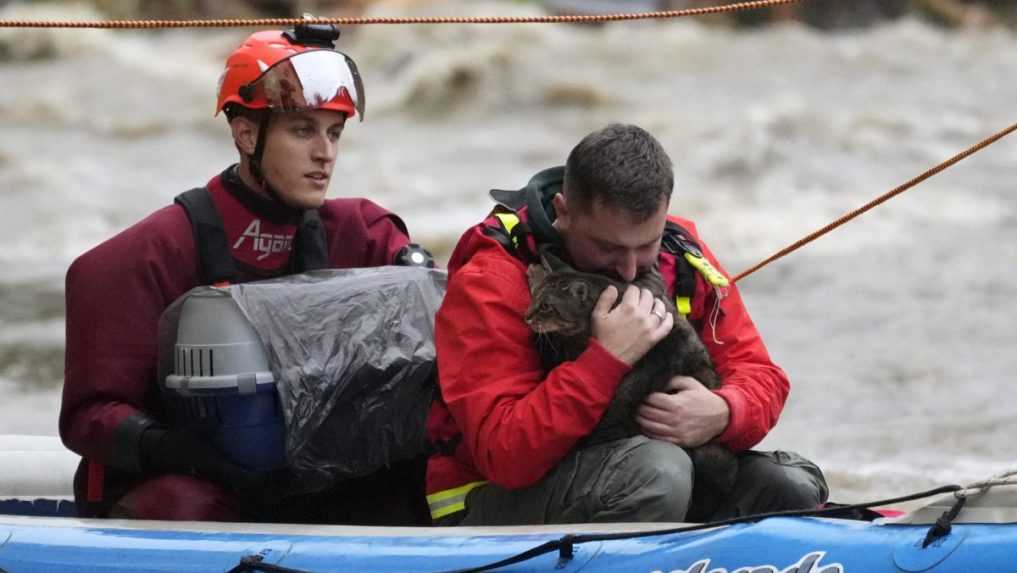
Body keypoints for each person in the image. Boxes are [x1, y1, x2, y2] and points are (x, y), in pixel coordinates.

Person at [59, 24, 432, 524]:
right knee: (181, 507)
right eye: (303, 130)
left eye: (334, 132)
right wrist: (179, 451)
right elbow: (89, 415)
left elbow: (438, 317)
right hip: (192, 482)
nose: (325, 154)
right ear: (246, 134)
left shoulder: (363, 235)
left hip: (312, 473)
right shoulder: (145, 256)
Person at [425, 123, 827, 525]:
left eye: (645, 246)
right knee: (658, 473)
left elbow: (761, 374)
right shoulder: (492, 279)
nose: (631, 268)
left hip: (647, 473)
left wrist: (723, 410)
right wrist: (605, 360)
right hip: (488, 503)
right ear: (564, 212)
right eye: (609, 247)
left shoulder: (679, 254)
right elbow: (505, 454)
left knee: (789, 485)